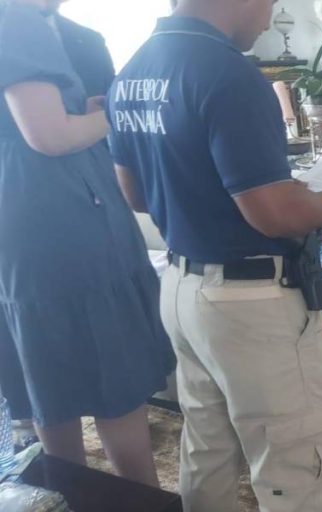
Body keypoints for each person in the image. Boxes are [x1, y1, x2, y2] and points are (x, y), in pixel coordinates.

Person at [107, 0, 322, 510]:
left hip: (183, 288)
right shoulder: (230, 74)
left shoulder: (134, 70)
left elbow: (136, 195)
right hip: (251, 302)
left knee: (208, 447)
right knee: (295, 464)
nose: (269, 17)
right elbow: (274, 215)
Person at [0, 0, 174, 487]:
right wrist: (115, 111)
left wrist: (87, 114)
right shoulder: (18, 20)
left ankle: (73, 495)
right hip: (62, 221)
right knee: (112, 379)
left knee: (52, 380)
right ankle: (140, 499)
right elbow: (50, 137)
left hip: (28, 220)